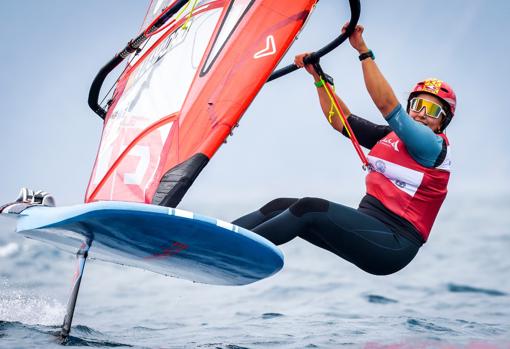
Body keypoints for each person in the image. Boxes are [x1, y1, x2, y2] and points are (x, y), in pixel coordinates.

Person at [232, 23, 456, 275]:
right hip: (371, 228)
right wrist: (319, 80)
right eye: (417, 105)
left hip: (393, 244)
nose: (422, 114)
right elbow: (340, 120)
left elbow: (386, 104)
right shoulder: (391, 137)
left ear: (443, 121)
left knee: (309, 208)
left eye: (433, 110)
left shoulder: (432, 146)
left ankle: (231, 253)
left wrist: (362, 50)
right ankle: (215, 236)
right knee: (280, 205)